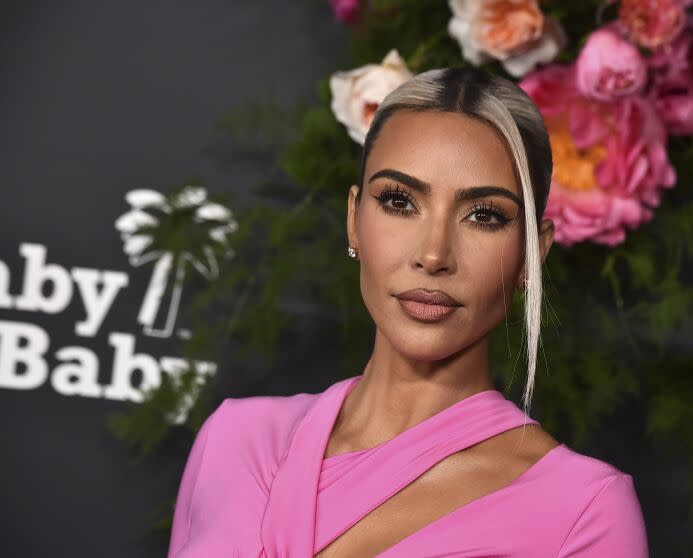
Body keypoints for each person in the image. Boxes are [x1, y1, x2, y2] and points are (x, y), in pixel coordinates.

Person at [166, 66, 649, 558]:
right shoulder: (234, 439)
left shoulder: (582, 512)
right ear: (354, 220)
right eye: (399, 201)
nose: (434, 254)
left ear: (532, 253)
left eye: (484, 215)